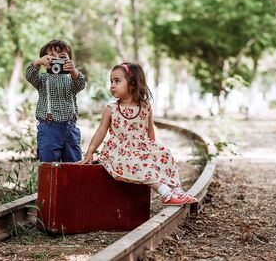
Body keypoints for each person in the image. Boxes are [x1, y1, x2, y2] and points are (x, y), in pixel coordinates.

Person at [78, 62, 197, 206]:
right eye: (111, 81)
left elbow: (150, 130)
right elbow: (101, 132)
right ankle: (165, 193)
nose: (112, 85)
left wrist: (152, 149)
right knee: (136, 163)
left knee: (164, 153)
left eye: (117, 81)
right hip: (120, 152)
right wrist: (90, 152)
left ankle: (177, 190)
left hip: (141, 147)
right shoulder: (112, 109)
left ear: (133, 84)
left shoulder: (145, 107)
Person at [25, 39, 86, 162]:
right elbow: (29, 75)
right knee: (48, 164)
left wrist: (73, 71)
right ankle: (50, 182)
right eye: (52, 57)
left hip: (70, 128)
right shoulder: (42, 79)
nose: (57, 60)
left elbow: (81, 83)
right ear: (45, 61)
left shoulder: (71, 80)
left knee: (73, 163)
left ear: (69, 60)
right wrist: (37, 63)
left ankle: (71, 182)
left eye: (62, 57)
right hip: (49, 127)